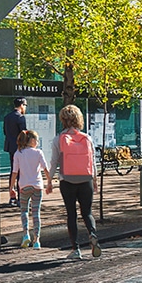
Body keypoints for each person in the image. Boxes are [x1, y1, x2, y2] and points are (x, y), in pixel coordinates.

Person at [48, 104, 101, 260]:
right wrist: (95, 179)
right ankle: (92, 234)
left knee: (71, 214)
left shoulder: (58, 139)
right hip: (86, 179)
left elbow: (54, 162)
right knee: (87, 212)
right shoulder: (87, 138)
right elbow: (93, 161)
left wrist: (50, 180)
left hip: (67, 180)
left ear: (62, 120)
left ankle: (75, 249)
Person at [9, 130, 51, 250]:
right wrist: (49, 181)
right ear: (31, 140)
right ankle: (36, 240)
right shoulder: (38, 153)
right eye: (37, 140)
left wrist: (11, 188)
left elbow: (14, 172)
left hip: (24, 187)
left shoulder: (18, 153)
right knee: (36, 213)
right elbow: (45, 169)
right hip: (37, 186)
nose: (37, 142)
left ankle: (25, 234)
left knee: (24, 211)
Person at [3, 97, 27, 206]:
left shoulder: (7, 117)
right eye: (25, 105)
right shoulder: (20, 117)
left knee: (13, 171)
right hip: (20, 148)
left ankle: (12, 196)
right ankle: (21, 198)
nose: (25, 108)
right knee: (21, 172)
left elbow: (5, 132)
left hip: (10, 147)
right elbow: (24, 134)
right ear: (21, 105)